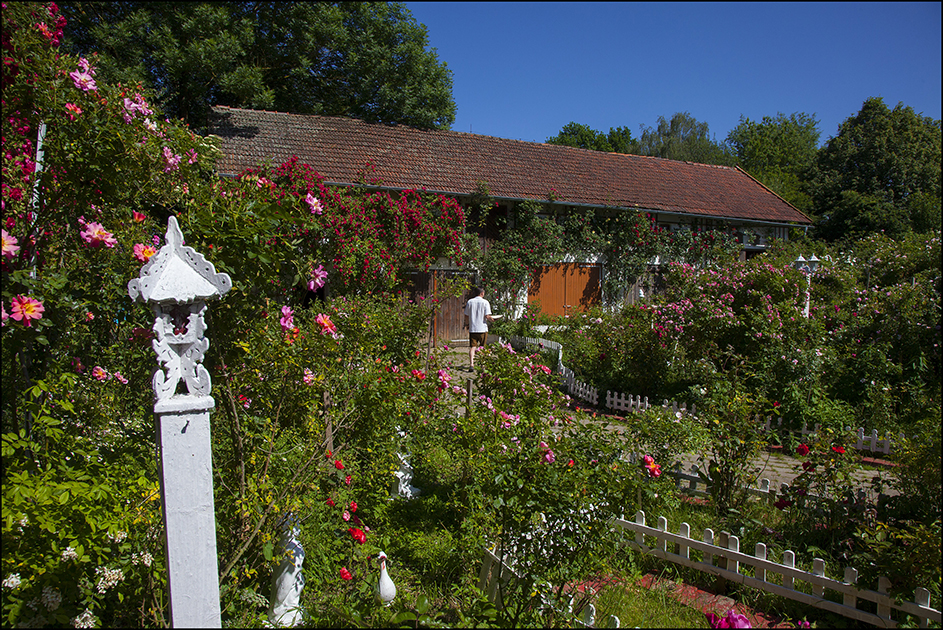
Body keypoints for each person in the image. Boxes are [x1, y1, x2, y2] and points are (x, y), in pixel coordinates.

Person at [463, 286, 493, 370]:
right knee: (482, 347)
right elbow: (487, 316)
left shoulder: (470, 302)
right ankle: (482, 365)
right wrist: (493, 319)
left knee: (473, 347)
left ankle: (471, 364)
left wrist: (467, 324)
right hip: (482, 328)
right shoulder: (485, 302)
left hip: (473, 328)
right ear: (482, 293)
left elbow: (466, 315)